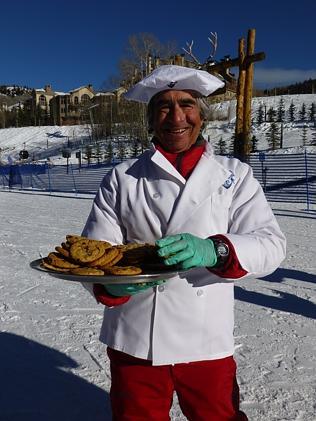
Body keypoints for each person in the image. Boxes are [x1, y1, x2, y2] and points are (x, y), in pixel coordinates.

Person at [81, 65, 286, 420]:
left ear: (201, 116)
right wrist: (111, 282)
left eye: (187, 104)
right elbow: (96, 250)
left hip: (205, 337)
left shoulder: (234, 175)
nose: (177, 116)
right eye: (164, 106)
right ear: (150, 119)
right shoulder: (123, 177)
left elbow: (270, 245)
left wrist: (216, 249)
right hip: (135, 336)